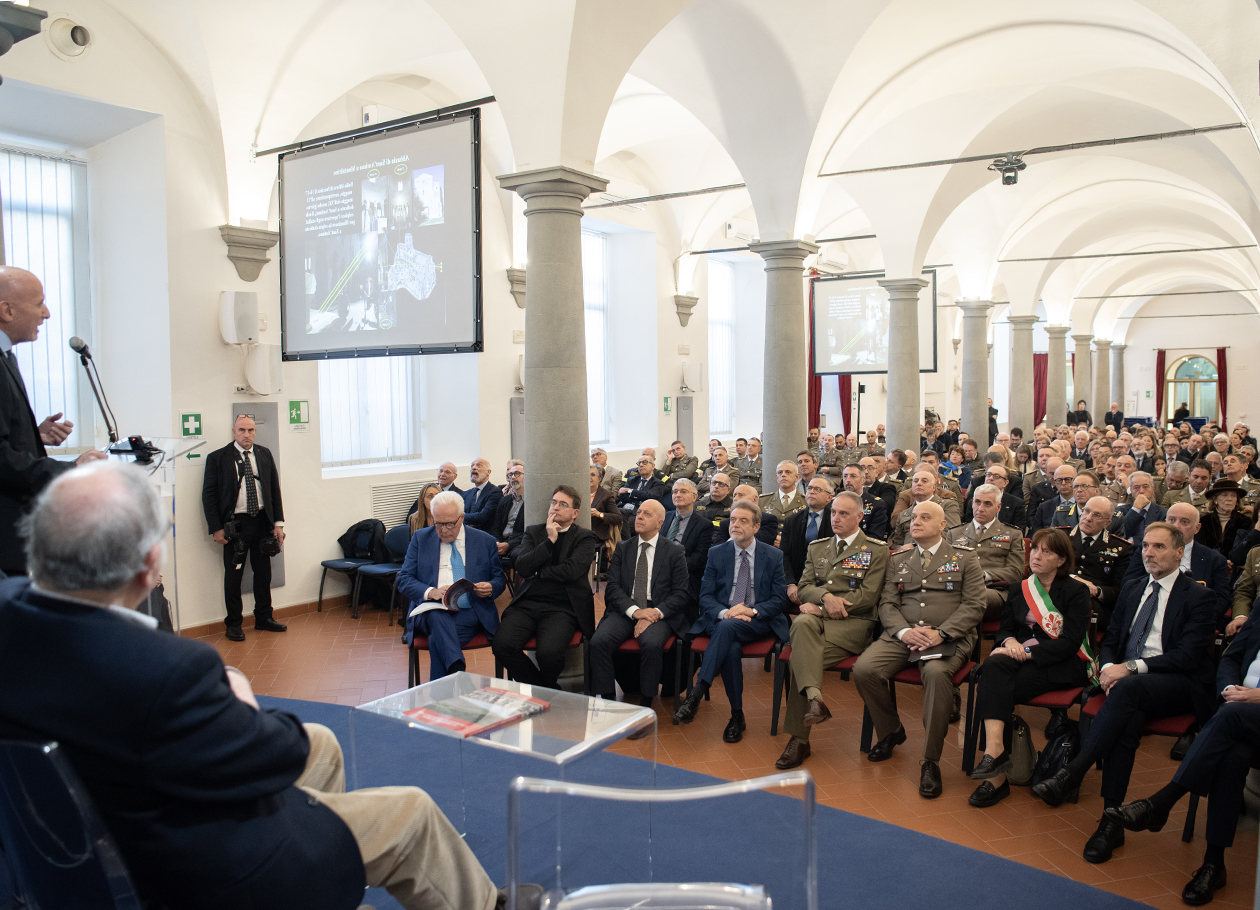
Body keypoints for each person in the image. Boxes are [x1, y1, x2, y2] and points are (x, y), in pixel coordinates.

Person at [0, 460, 509, 910]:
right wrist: (239, 698)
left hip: (90, 838)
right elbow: (276, 752)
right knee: (413, 812)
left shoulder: (11, 622)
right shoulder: (168, 670)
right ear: (149, 566)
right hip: (202, 871)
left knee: (324, 744)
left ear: (38, 547)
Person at [1032, 523, 1217, 864]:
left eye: (1159, 547)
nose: (1149, 552)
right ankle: (1110, 821)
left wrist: (1129, 670)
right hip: (1126, 686)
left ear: (1179, 552)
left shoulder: (1200, 597)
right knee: (1125, 723)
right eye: (1145, 546)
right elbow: (1113, 638)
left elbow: (1187, 656)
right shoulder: (1133, 587)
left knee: (1127, 693)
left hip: (1176, 682)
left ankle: (1075, 770)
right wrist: (1108, 668)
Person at [1108, 613, 1260, 905]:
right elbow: (1232, 656)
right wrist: (1230, 690)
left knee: (1228, 720)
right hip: (1240, 710)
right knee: (1233, 755)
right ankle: (1214, 864)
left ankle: (1163, 802)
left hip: (1248, 709)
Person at [852, 500, 985, 798]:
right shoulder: (898, 558)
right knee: (864, 670)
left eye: (925, 517)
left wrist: (943, 633)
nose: (916, 521)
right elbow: (887, 603)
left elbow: (975, 605)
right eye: (913, 517)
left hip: (949, 637)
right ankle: (890, 730)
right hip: (904, 634)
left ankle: (930, 761)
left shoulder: (965, 558)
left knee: (936, 675)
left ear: (942, 525)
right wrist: (904, 631)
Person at [968, 529, 1092, 807]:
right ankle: (995, 756)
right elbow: (1004, 631)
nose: (1036, 555)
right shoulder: (1020, 587)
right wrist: (1010, 641)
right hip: (1019, 661)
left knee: (993, 679)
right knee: (994, 669)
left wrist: (1024, 651)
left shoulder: (1075, 590)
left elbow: (1071, 643)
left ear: (1061, 560)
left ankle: (995, 774)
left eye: (1046, 551)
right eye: (1034, 549)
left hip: (1062, 664)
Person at [0, 266, 106, 574]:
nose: (45, 314)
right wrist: (69, 469)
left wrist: (33, 435)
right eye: (38, 304)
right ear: (6, 310)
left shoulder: (7, 356)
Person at [776, 491, 889, 770]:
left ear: (860, 517)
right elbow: (803, 588)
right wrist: (826, 598)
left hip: (852, 626)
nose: (835, 518)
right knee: (802, 625)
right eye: (833, 513)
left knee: (800, 657)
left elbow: (868, 597)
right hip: (816, 622)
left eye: (843, 514)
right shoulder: (818, 547)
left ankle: (800, 739)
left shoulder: (877, 550)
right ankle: (812, 707)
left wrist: (823, 607)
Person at [672, 499, 789, 740]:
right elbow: (705, 596)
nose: (735, 525)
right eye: (733, 520)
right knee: (731, 647)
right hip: (724, 618)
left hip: (759, 620)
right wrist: (726, 612)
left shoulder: (773, 556)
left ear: (757, 527)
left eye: (743, 521)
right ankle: (737, 715)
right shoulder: (716, 553)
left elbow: (779, 600)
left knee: (726, 630)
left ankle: (698, 692)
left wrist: (751, 611)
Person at [492, 485, 600, 688]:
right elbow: (523, 567)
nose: (555, 508)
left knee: (548, 654)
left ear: (574, 513)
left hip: (563, 607)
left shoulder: (584, 537)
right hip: (528, 603)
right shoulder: (534, 532)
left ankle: (544, 690)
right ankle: (546, 690)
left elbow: (572, 571)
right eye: (553, 502)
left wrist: (539, 573)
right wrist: (549, 541)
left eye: (563, 504)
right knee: (502, 645)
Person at [589, 500, 690, 705]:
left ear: (660, 522)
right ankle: (607, 699)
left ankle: (646, 699)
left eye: (647, 514)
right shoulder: (623, 548)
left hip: (659, 612)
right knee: (599, 642)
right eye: (639, 512)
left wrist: (654, 614)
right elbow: (613, 588)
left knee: (651, 643)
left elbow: (680, 594)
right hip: (627, 609)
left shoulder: (674, 551)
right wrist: (635, 612)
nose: (640, 517)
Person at [398, 491, 505, 679]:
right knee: (437, 615)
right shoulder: (420, 539)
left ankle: (449, 683)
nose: (443, 530)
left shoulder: (484, 541)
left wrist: (490, 588)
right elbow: (404, 579)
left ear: (461, 518)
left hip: (469, 611)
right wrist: (431, 592)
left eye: (449, 524)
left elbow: (499, 579)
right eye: (438, 523)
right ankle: (458, 674)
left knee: (437, 639)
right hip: (427, 611)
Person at [201, 415, 286, 642]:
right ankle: (234, 623)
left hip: (262, 522)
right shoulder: (218, 458)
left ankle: (264, 618)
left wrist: (278, 524)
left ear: (255, 432)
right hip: (235, 525)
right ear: (233, 431)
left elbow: (273, 491)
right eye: (242, 430)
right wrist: (216, 528)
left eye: (250, 430)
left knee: (263, 573)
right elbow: (208, 496)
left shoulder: (264, 454)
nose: (246, 434)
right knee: (234, 575)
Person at [949, 484, 1026, 623]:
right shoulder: (954, 533)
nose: (980, 508)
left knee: (975, 596)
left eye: (987, 504)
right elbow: (944, 567)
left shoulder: (1013, 534)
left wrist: (983, 576)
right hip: (958, 588)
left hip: (995, 591)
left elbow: (1015, 572)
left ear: (998, 507)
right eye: (977, 502)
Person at [660, 478, 715, 624]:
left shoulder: (704, 525)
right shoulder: (664, 517)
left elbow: (699, 559)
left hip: (686, 575)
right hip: (658, 571)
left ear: (694, 497)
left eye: (683, 491)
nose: (677, 495)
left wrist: (672, 568)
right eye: (675, 492)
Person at [781, 477, 836, 605]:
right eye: (809, 488)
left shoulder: (836, 521)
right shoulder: (792, 520)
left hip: (827, 583)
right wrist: (790, 583)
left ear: (829, 497)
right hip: (796, 579)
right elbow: (784, 555)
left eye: (817, 489)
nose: (811, 492)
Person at [888, 470, 961, 547]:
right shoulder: (904, 514)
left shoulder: (947, 506)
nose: (919, 483)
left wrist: (916, 547)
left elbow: (951, 534)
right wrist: (902, 550)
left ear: (934, 487)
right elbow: (897, 543)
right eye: (915, 481)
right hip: (908, 556)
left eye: (924, 481)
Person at [712, 483, 779, 546]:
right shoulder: (726, 523)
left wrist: (733, 540)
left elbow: (760, 540)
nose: (735, 498)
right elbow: (717, 547)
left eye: (741, 495)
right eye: (734, 495)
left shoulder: (767, 520)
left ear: (754, 499)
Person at [1197, 479, 1248, 560]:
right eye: (1224, 495)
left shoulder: (1246, 522)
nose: (1229, 499)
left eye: (1233, 495)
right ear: (1215, 499)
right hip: (1209, 564)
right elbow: (1198, 548)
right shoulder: (1203, 521)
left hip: (1236, 567)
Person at [618, 454, 667, 533]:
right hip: (624, 510)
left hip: (642, 513)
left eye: (644, 462)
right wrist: (640, 498)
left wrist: (630, 491)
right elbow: (622, 497)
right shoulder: (632, 480)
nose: (641, 465)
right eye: (639, 463)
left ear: (653, 466)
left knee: (627, 523)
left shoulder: (658, 483)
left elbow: (650, 496)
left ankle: (624, 545)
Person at [841, 463, 890, 540]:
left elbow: (875, 537)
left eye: (853, 476)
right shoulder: (834, 504)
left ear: (863, 480)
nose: (848, 480)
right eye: (845, 476)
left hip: (863, 549)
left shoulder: (877, 504)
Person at [495, 464, 529, 566]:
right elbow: (495, 527)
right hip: (501, 542)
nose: (513, 477)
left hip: (519, 543)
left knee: (519, 555)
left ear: (526, 475)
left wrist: (509, 545)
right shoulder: (505, 500)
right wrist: (497, 542)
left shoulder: (531, 502)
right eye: (510, 474)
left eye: (517, 474)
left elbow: (529, 531)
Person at [588, 464, 620, 565]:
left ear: (600, 479)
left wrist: (600, 514)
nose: (589, 477)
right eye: (587, 474)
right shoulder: (579, 493)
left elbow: (618, 518)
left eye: (593, 474)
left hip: (597, 533)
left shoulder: (606, 495)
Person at [461, 458, 504, 531]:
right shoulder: (466, 493)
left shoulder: (495, 492)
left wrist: (460, 516)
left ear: (488, 472)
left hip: (485, 534)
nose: (474, 468)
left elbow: (483, 517)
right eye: (472, 466)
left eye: (479, 465)